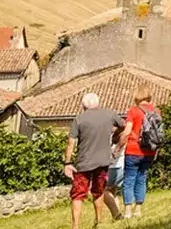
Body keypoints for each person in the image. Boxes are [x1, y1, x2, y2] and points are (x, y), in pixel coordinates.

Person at [63, 91, 130, 227]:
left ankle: (75, 225)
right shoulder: (110, 114)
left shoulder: (79, 119)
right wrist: (114, 134)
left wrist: (68, 162)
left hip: (83, 163)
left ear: (83, 106)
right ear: (98, 103)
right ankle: (98, 221)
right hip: (103, 161)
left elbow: (71, 142)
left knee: (78, 194)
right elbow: (124, 125)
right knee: (98, 191)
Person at [122, 84, 162, 218]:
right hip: (149, 151)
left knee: (129, 179)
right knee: (142, 179)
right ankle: (138, 210)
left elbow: (127, 131)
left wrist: (118, 146)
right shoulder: (156, 111)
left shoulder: (133, 111)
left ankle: (127, 210)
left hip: (133, 150)